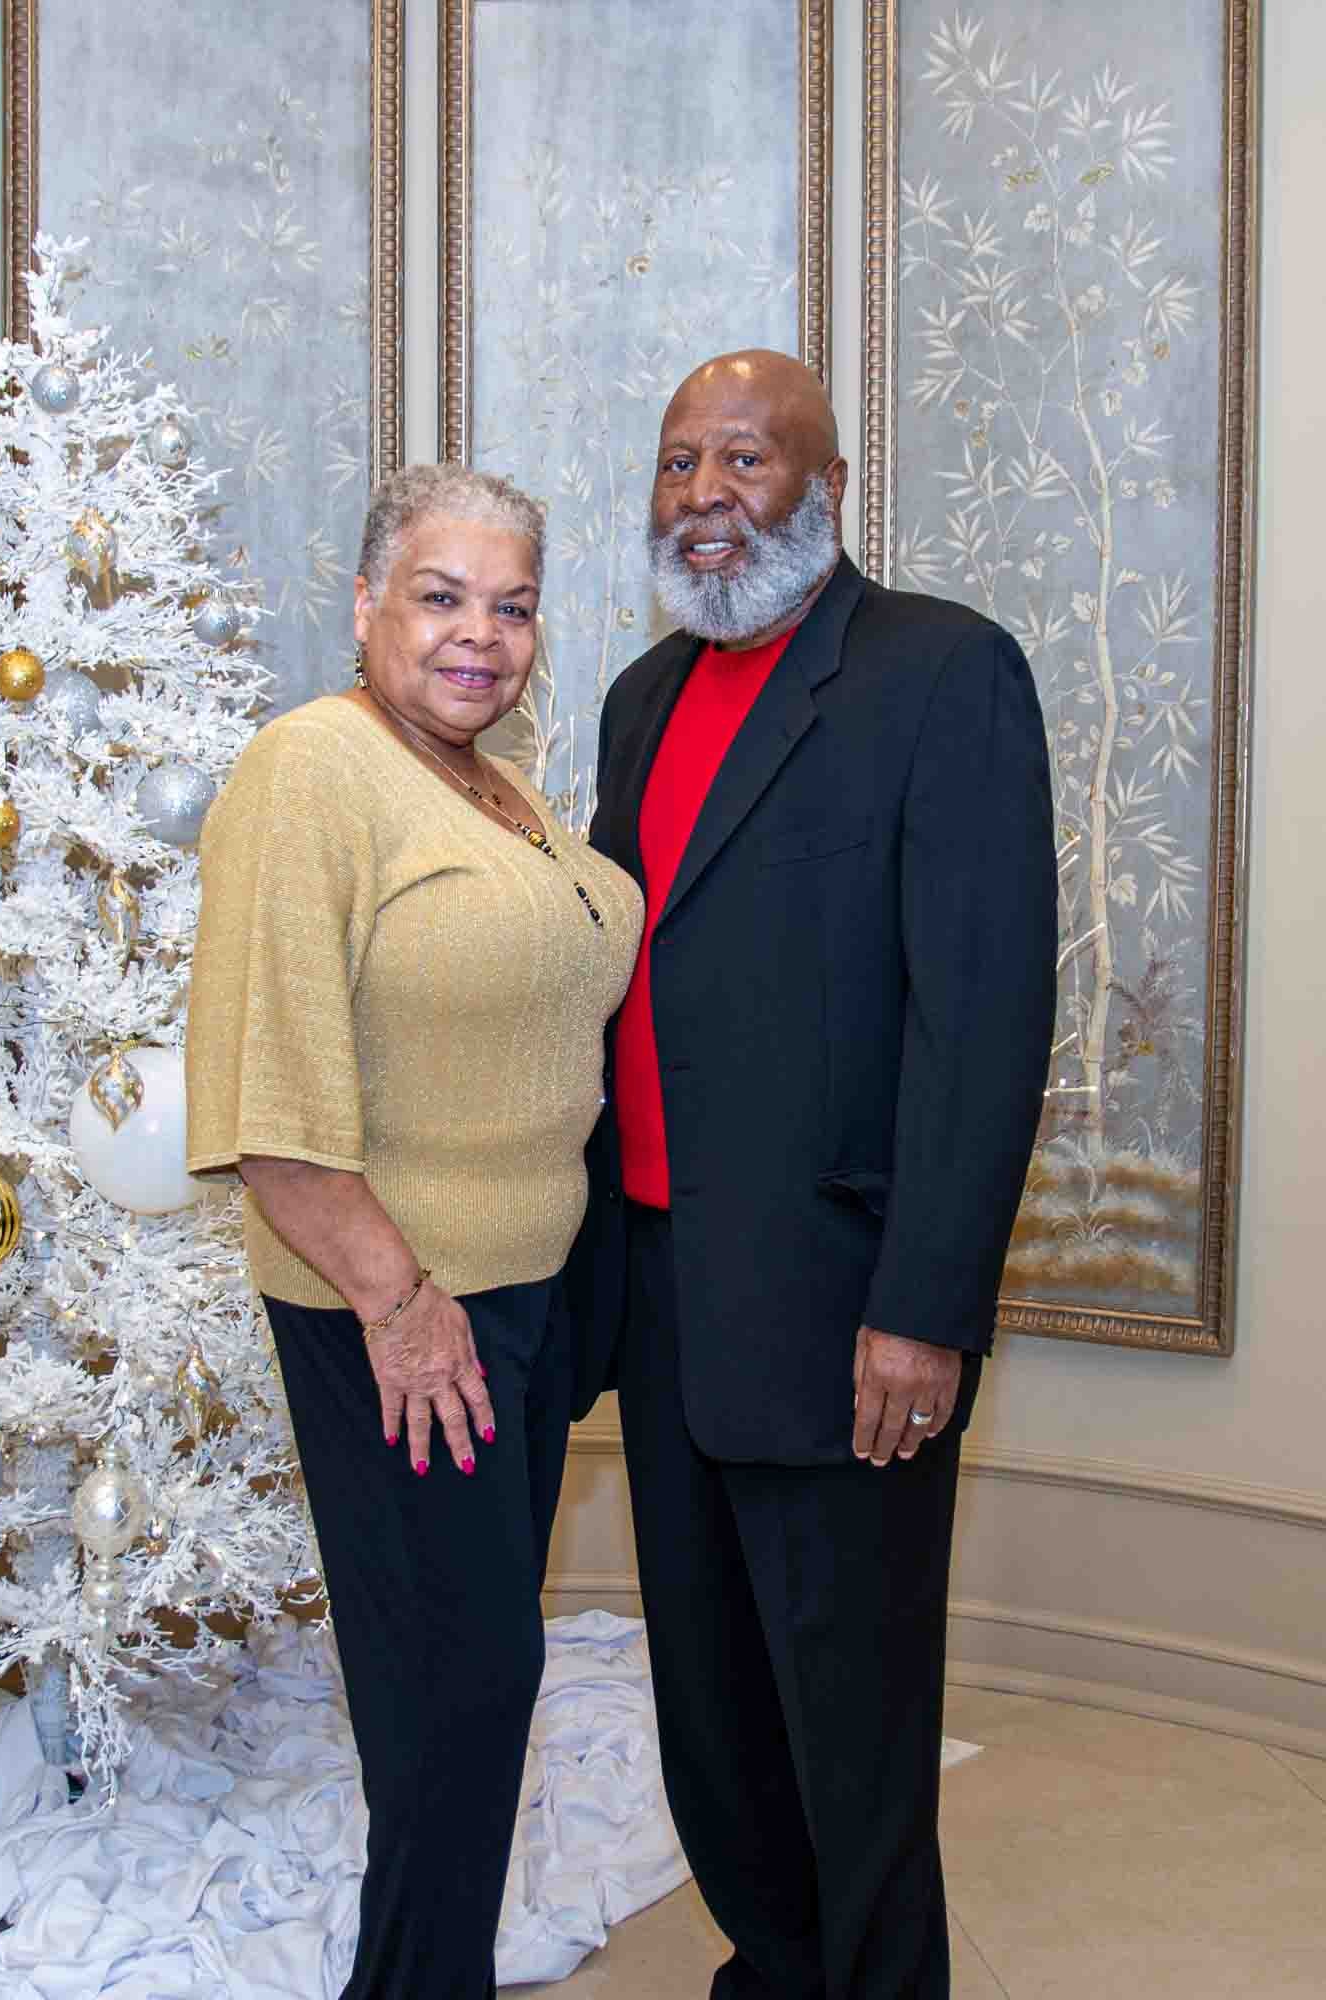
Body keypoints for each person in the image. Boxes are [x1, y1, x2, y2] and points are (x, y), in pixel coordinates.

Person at [568, 351, 1058, 1999]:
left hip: (846, 1311)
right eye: (679, 462)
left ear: (826, 488)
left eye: (747, 460)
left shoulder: (941, 671)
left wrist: (925, 1308)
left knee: (852, 1729)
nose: (706, 496)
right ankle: (773, 1976)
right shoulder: (641, 701)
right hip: (663, 1298)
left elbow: (982, 1021)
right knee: (711, 1718)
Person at [185, 463, 643, 2000]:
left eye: (512, 607)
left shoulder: (495, 785)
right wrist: (402, 1303)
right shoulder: (312, 768)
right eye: (442, 597)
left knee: (467, 1698)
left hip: (522, 1303)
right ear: (365, 602)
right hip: (396, 1308)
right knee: (461, 1697)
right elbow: (267, 1100)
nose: (479, 636)